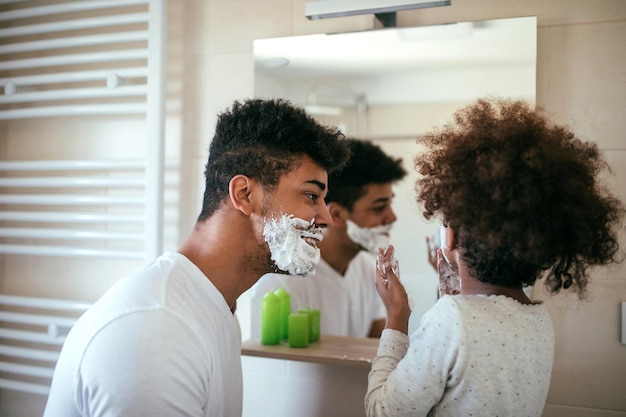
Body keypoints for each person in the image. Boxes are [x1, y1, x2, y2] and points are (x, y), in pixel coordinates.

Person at [43, 98, 351, 417]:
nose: (325, 218)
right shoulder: (156, 331)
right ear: (244, 195)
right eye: (312, 196)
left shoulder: (216, 309)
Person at [365, 98, 624, 416]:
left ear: (453, 234)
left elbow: (382, 411)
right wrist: (452, 290)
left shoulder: (452, 320)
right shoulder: (537, 320)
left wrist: (396, 316)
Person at [250, 139, 407, 338]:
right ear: (338, 215)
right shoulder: (280, 284)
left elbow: (379, 349)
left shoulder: (370, 272)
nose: (392, 217)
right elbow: (271, 365)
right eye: (378, 207)